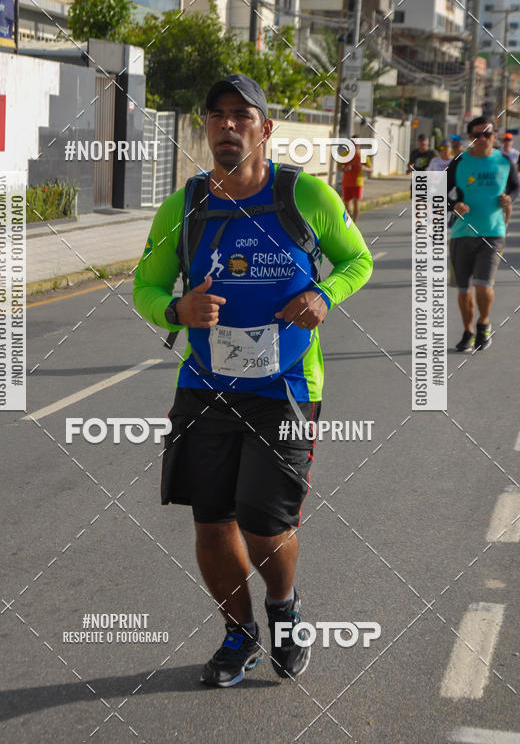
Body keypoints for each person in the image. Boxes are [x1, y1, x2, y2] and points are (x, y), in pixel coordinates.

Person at [133, 74, 373, 687]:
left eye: (242, 115)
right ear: (207, 128)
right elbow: (146, 285)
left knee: (265, 523)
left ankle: (284, 609)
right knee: (211, 521)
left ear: (265, 128)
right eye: (216, 115)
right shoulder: (183, 206)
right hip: (206, 385)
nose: (227, 125)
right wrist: (175, 310)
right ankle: (238, 634)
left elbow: (357, 260)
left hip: (287, 387)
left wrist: (325, 294)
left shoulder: (305, 196)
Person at [447, 118, 519, 352]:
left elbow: (515, 187)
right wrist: (453, 205)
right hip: (461, 232)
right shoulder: (459, 162)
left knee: (483, 284)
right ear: (470, 137)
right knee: (463, 288)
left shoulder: (504, 161)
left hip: (493, 230)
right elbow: (437, 190)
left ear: (495, 136)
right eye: (478, 134)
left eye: (488, 134)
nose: (483, 138)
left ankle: (483, 323)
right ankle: (468, 330)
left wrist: (509, 199)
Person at [341, 142, 373, 222]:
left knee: (356, 204)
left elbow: (371, 169)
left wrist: (364, 168)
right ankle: (350, 220)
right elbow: (339, 167)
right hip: (346, 183)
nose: (356, 146)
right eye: (354, 144)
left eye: (357, 144)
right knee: (347, 206)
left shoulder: (362, 156)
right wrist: (345, 169)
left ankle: (354, 222)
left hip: (357, 183)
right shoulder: (345, 154)